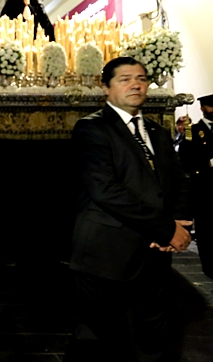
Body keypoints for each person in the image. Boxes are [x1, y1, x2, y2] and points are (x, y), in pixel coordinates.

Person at [65, 56, 192, 362]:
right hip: (106, 255)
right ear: (105, 88)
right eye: (125, 79)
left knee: (153, 336)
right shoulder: (91, 129)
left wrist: (178, 222)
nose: (136, 84)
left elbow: (178, 181)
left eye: (142, 78)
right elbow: (106, 191)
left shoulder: (157, 132)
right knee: (103, 340)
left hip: (153, 253)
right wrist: (163, 228)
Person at [190, 93, 213, 279]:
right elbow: (187, 158)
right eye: (210, 107)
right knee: (206, 228)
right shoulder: (194, 131)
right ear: (202, 108)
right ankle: (209, 265)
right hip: (205, 187)